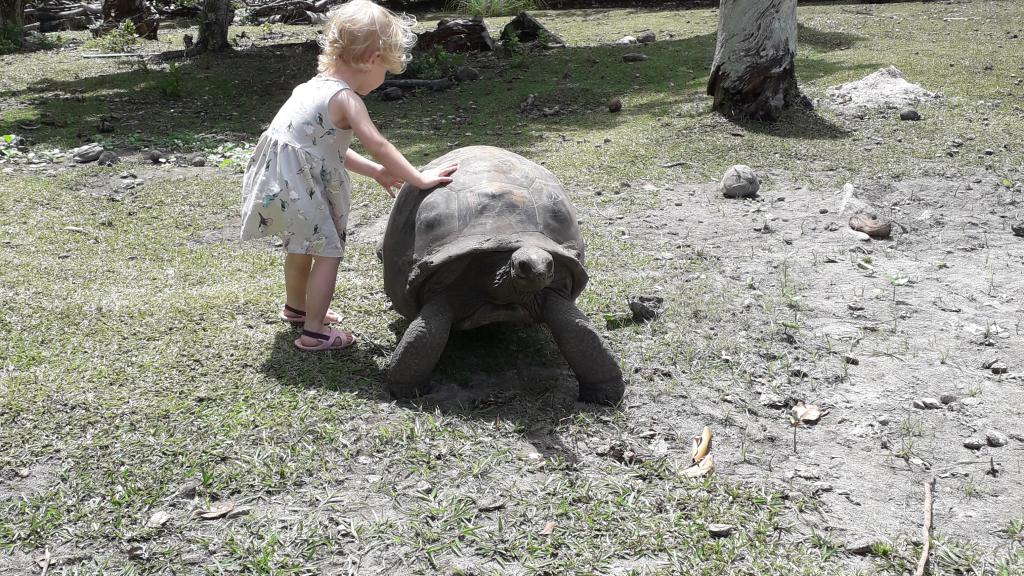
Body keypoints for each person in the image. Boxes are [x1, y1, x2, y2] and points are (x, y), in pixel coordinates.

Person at [240, 0, 458, 351]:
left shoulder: (310, 87)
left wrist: (376, 172)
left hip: (280, 185)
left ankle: (297, 308)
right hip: (301, 186)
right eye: (386, 69)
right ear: (373, 59)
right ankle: (314, 333)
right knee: (328, 252)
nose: (384, 78)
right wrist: (418, 178)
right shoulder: (346, 99)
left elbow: (325, 149)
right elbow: (379, 145)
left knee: (300, 247)